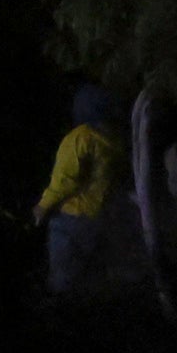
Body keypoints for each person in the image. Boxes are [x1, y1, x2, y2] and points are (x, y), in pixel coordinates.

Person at [34, 88, 120, 295]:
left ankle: (59, 315)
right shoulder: (114, 142)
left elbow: (65, 179)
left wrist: (43, 206)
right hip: (102, 219)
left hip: (73, 219)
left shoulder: (80, 138)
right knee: (92, 277)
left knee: (63, 279)